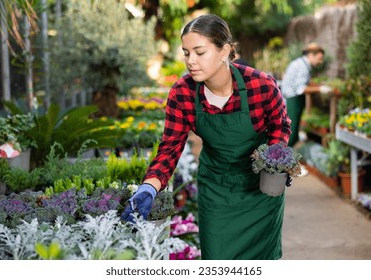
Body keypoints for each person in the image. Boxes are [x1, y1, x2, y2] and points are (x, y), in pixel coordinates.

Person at [121, 14, 291, 260]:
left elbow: (280, 125)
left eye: (199, 52)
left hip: (260, 193)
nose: (191, 61)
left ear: (225, 51)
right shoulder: (182, 93)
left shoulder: (261, 85)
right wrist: (149, 187)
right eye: (186, 53)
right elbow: (170, 149)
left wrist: (275, 162)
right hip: (217, 190)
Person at [280, 43, 331, 177]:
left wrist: (316, 85)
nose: (320, 62)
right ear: (311, 55)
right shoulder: (302, 66)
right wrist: (321, 89)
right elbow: (300, 89)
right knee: (291, 134)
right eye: (319, 58)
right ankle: (286, 166)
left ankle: (287, 164)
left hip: (291, 99)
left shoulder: (300, 63)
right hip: (293, 100)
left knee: (293, 133)